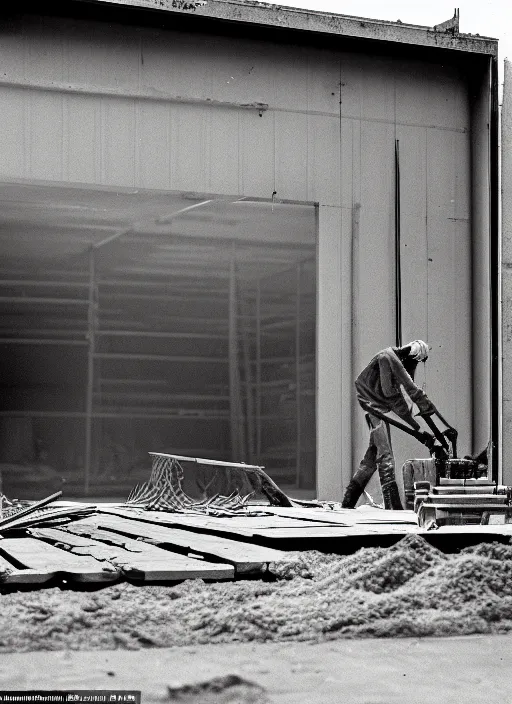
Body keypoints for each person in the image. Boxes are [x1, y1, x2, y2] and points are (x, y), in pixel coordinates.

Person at [341, 340, 435, 510]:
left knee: (370, 459)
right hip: (374, 407)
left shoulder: (394, 359)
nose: (413, 367)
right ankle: (393, 508)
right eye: (414, 362)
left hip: (377, 406)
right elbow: (394, 393)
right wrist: (422, 417)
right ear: (411, 357)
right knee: (386, 457)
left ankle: (347, 503)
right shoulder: (388, 358)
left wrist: (419, 430)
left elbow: (399, 398)